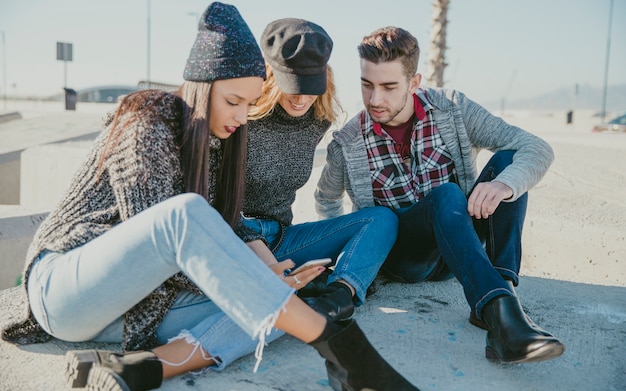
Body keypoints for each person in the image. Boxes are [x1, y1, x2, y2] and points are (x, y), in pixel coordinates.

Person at [0, 6, 419, 391]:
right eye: (233, 102)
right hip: (68, 290)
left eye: (250, 103)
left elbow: (220, 236)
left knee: (280, 305)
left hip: (135, 309)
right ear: (202, 88)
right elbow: (165, 234)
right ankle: (346, 353)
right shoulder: (148, 121)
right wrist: (252, 278)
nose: (242, 116)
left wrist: (269, 280)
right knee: (208, 238)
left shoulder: (225, 140)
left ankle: (141, 367)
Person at [315, 25, 566, 364]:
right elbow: (326, 200)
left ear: (414, 83)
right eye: (367, 84)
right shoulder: (347, 143)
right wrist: (356, 258)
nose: (375, 99)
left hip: (461, 243)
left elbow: (535, 147)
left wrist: (504, 185)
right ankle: (500, 312)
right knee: (447, 195)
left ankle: (501, 305)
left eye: (389, 87)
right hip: (406, 258)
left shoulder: (453, 109)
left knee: (508, 164)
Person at [243, 17, 398, 322]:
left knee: (381, 219)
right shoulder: (239, 118)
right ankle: (294, 282)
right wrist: (265, 261)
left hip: (283, 238)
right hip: (238, 241)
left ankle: (338, 294)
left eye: (309, 86)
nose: (301, 99)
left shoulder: (317, 120)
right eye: (293, 87)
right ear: (271, 76)